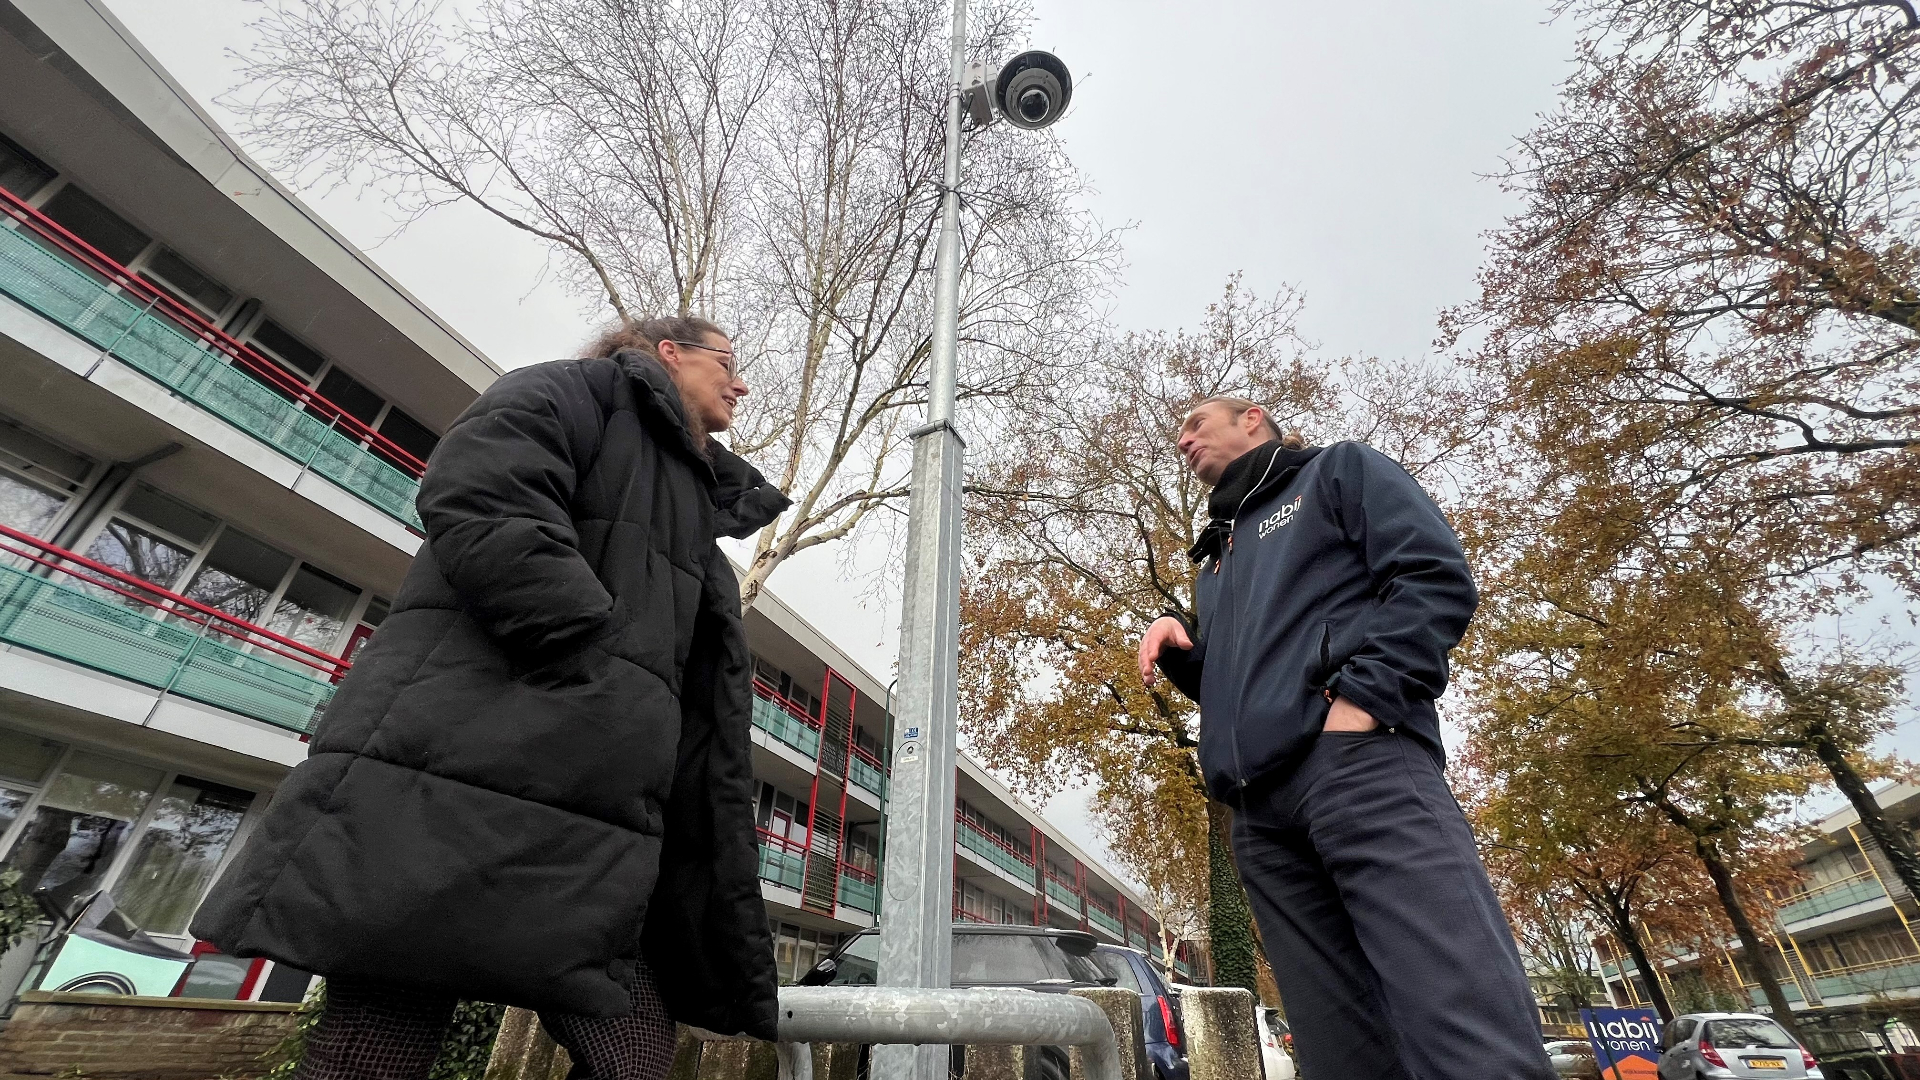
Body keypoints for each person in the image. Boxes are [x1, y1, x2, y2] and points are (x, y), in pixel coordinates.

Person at [193, 317, 791, 1080]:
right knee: (376, 1051)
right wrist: (587, 654)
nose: (741, 384)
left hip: (583, 808)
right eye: (727, 362)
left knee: (635, 1055)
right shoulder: (571, 392)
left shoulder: (688, 491)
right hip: (447, 781)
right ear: (668, 353)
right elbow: (478, 492)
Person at [1137, 398, 1553, 1080]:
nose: (1182, 440)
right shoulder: (1213, 561)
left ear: (1251, 418)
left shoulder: (1336, 471)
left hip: (1359, 770)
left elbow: (1432, 576)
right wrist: (1187, 653)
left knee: (1462, 1028)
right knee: (1340, 1053)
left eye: (1195, 423)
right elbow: (1256, 682)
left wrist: (1363, 703)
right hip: (1261, 823)